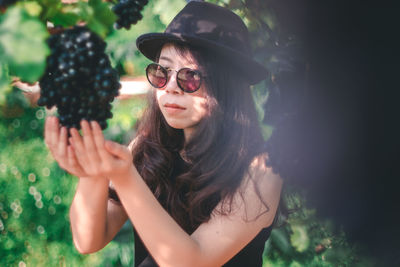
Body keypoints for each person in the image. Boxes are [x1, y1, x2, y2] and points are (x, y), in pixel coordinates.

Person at [44, 1, 283, 266]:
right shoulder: (149, 147)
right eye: (162, 72)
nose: (171, 87)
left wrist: (125, 177)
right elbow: (88, 240)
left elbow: (192, 261)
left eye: (190, 76)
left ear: (225, 87)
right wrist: (92, 174)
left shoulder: (262, 170)